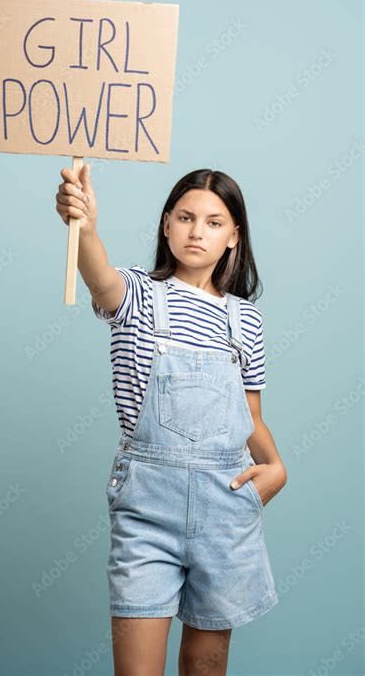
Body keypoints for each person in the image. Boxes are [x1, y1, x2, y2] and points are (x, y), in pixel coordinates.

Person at [55, 164, 288, 676]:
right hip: (148, 511)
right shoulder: (136, 294)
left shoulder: (245, 318)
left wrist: (276, 469)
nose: (196, 231)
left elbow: (251, 416)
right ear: (166, 225)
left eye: (212, 221)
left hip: (225, 507)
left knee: (205, 666)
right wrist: (87, 227)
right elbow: (99, 276)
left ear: (233, 236)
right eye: (185, 217)